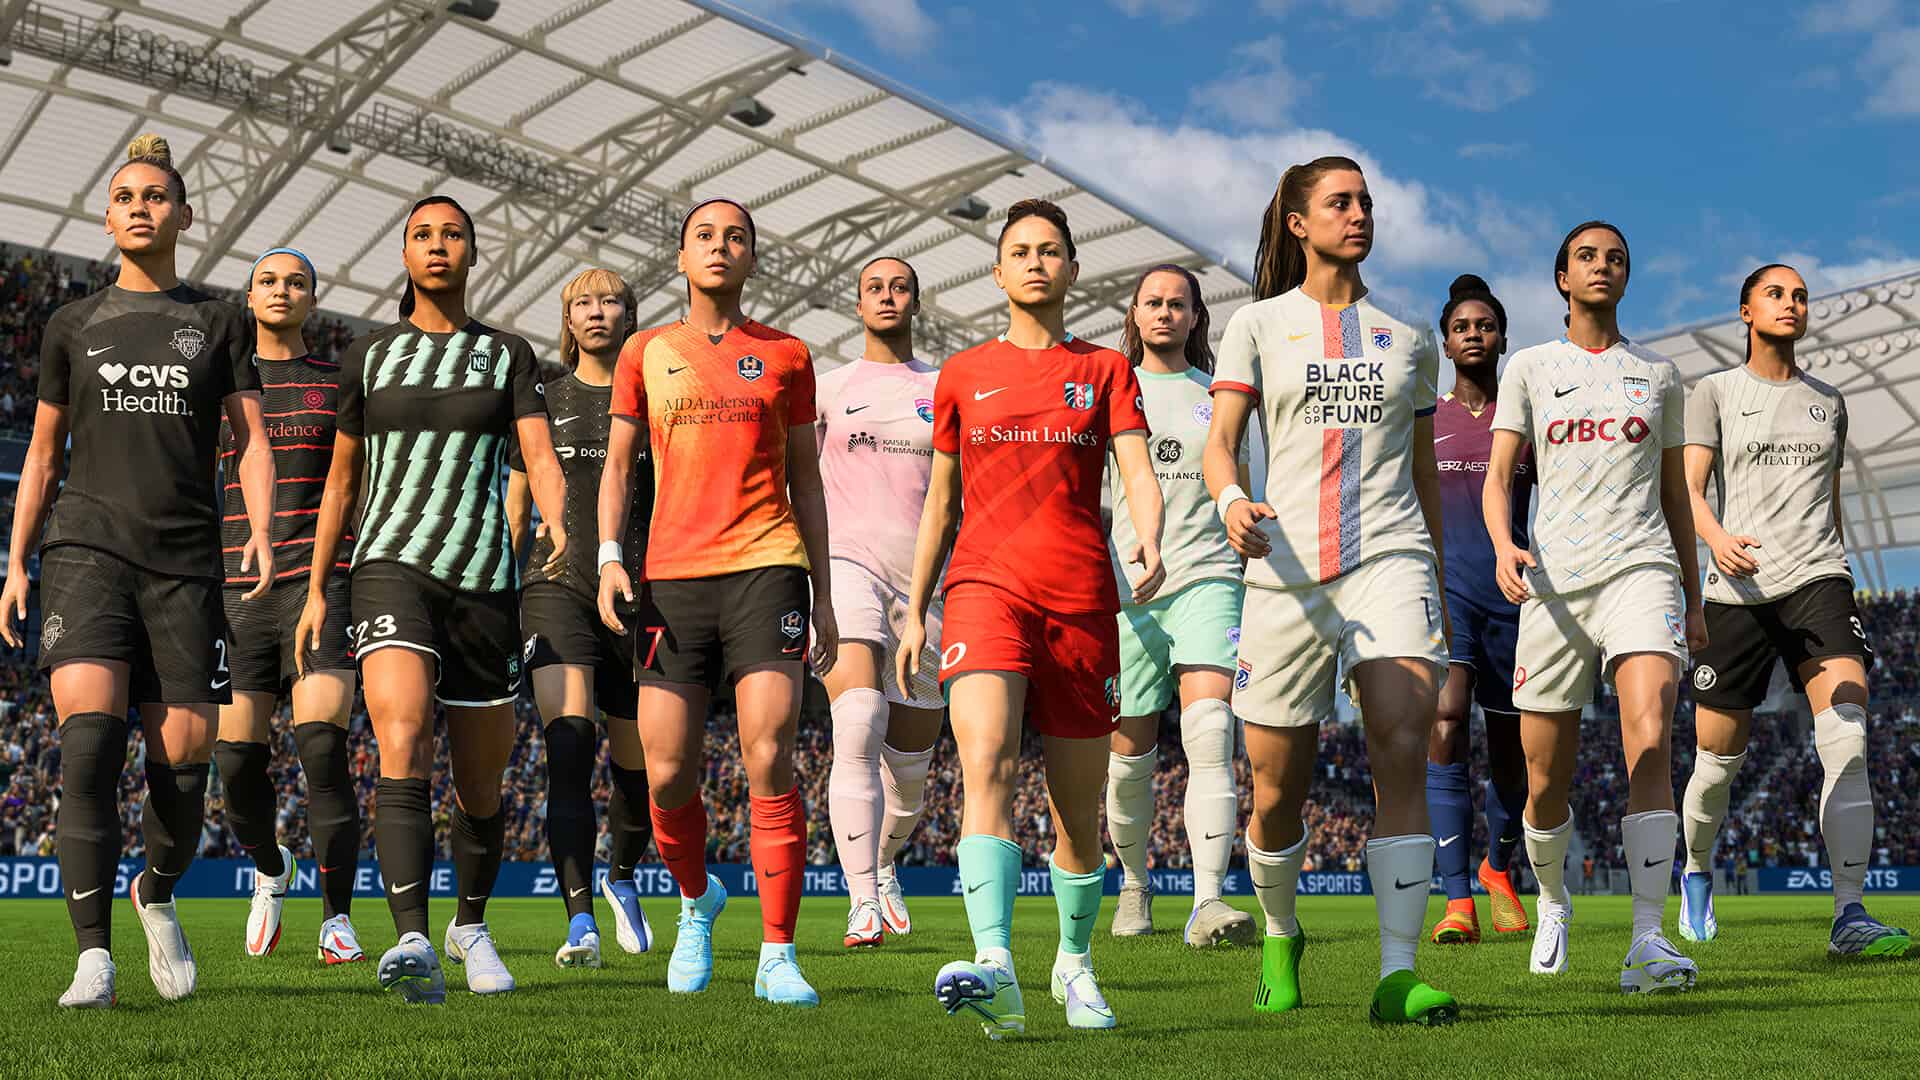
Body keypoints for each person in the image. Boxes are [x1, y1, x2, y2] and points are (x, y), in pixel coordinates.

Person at [0, 134, 271, 1007]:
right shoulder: (71, 324)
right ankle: (94, 958)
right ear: (108, 215)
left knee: (184, 764)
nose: (140, 206)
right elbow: (42, 454)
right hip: (86, 550)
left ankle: (155, 890)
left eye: (156, 195)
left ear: (185, 216)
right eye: (125, 195)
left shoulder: (220, 321)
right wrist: (15, 562)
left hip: (189, 563)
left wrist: (258, 530)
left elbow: (252, 440)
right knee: (87, 744)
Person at [1203, 156, 1457, 1025]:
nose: (1359, 213)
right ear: (1300, 223)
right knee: (1273, 791)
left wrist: (1437, 580)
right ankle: (1281, 931)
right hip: (1285, 569)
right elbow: (1220, 445)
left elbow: (1422, 474)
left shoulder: (1408, 338)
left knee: (1400, 737)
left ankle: (1397, 970)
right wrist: (1234, 501)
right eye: (1339, 203)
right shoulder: (1257, 326)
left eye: (1366, 201)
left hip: (1391, 558)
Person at [297, 194, 567, 1004]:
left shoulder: (508, 356)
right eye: (422, 235)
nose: (438, 245)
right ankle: (413, 937)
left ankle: (469, 925)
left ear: (472, 254)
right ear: (406, 254)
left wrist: (560, 522)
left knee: (481, 787)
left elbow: (540, 457)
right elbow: (341, 481)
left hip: (486, 581)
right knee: (402, 735)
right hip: (390, 567)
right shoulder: (369, 357)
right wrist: (317, 586)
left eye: (452, 234)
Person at [903, 197, 1163, 1038]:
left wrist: (1149, 537)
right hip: (984, 588)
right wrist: (915, 609)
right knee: (987, 762)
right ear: (998, 271)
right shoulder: (961, 374)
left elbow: (1136, 468)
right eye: (1021, 251)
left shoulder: (1106, 372)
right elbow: (939, 503)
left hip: (1083, 601)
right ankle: (996, 966)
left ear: (1074, 271)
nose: (1037, 263)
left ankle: (1075, 965)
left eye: (1051, 251)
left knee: (1077, 813)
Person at [597, 197, 837, 1007]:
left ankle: (777, 952)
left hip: (768, 567)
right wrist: (607, 558)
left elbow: (807, 479)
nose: (720, 247)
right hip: (671, 579)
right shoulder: (645, 350)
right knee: (665, 771)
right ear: (681, 255)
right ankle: (697, 904)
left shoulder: (788, 355)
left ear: (752, 259)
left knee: (768, 753)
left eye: (736, 237)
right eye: (706, 235)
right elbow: (619, 464)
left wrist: (826, 597)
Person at [1483, 220, 1704, 993]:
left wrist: (1695, 593)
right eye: (1588, 257)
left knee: (1650, 735)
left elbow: (1676, 494)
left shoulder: (1662, 374)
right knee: (1546, 782)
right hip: (1552, 581)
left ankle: (1649, 937)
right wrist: (1506, 544)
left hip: (1640, 570)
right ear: (1561, 279)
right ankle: (1551, 900)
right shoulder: (1531, 367)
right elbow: (1499, 473)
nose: (1603, 266)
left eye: (1616, 258)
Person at [1677, 263, 1908, 957]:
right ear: (1745, 310)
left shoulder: (1830, 401)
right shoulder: (1713, 392)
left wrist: (1840, 575)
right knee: (1716, 759)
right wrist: (1717, 540)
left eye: (1800, 295)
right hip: (1736, 590)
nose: (1791, 303)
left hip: (1818, 580)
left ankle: (1849, 913)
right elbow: (1688, 490)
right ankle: (1694, 873)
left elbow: (1830, 507)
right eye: (1776, 293)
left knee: (1847, 729)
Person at [212, 246, 364, 964]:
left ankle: (337, 921)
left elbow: (357, 484)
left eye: (295, 281)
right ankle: (272, 869)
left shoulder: (337, 386)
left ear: (313, 297)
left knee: (322, 752)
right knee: (236, 766)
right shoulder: (215, 389)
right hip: (234, 595)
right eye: (268, 281)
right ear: (248, 296)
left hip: (320, 586)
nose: (281, 291)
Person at [505, 267, 655, 969]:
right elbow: (515, 501)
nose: (597, 312)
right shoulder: (541, 400)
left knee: (639, 769)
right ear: (568, 318)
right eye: (583, 303)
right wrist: (497, 592)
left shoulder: (657, 400)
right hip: (555, 584)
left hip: (639, 593)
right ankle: (579, 921)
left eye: (611, 301)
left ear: (631, 315)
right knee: (567, 744)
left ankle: (621, 875)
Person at [1103, 263, 1256, 948]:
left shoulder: (1219, 398)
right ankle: (1134, 886)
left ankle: (1208, 902)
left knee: (1209, 732)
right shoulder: (1110, 388)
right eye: (1152, 303)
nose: (1165, 313)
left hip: (1208, 579)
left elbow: (1238, 482)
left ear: (1198, 319)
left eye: (1178, 304)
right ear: (1134, 315)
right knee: (1127, 757)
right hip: (1124, 592)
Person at [815, 256, 945, 948]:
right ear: (858, 303)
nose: (888, 296)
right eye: (875, 288)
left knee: (912, 777)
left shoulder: (944, 386)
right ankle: (861, 901)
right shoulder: (829, 388)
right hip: (846, 567)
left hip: (929, 590)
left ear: (916, 302)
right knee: (858, 714)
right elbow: (794, 483)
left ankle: (886, 863)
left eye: (899, 287)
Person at [1424, 274, 1533, 946]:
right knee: (1445, 719)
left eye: (1484, 325)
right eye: (1462, 326)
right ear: (1446, 341)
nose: (1473, 334)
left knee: (1516, 745)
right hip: (1447, 592)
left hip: (1518, 594)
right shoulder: (1426, 419)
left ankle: (1499, 868)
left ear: (1500, 338)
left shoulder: (1522, 422)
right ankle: (1457, 898)